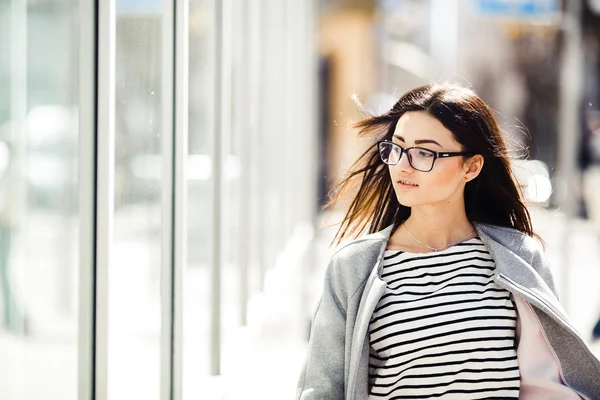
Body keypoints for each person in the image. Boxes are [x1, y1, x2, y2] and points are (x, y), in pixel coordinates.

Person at [296, 83, 600, 399]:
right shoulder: (354, 269)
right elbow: (322, 386)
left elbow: (549, 382)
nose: (402, 165)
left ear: (471, 166)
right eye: (396, 148)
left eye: (424, 153)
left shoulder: (519, 258)